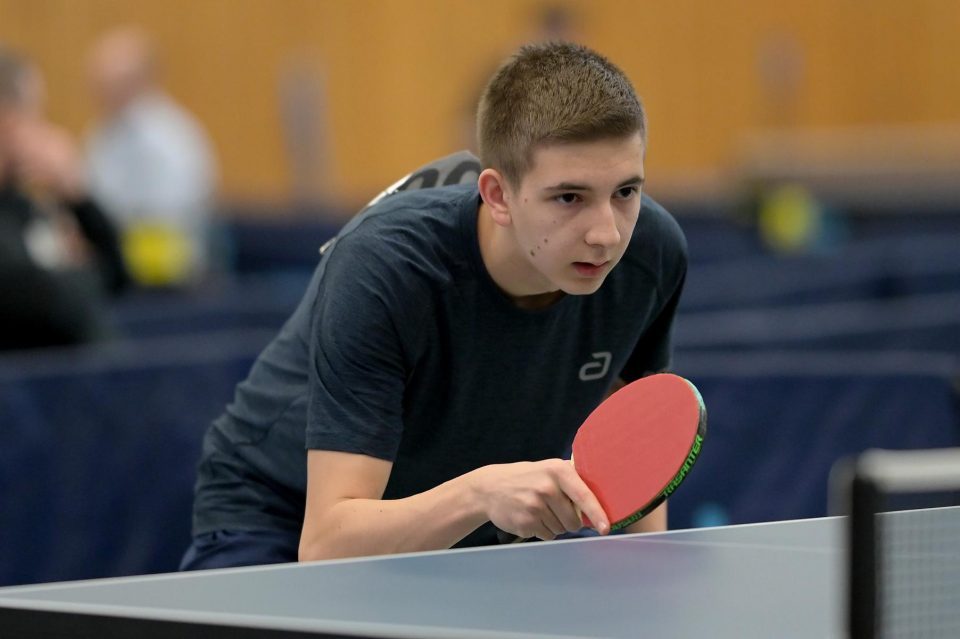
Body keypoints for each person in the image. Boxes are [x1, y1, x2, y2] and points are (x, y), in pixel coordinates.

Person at [182, 41, 687, 570]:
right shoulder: (385, 267)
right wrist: (479, 495)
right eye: (569, 197)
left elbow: (632, 454)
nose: (607, 234)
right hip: (283, 514)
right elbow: (327, 545)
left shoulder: (652, 255)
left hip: (472, 521)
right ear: (497, 196)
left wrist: (639, 572)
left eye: (625, 192)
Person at [0, 46, 129, 351]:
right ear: (7, 118)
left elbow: (117, 276)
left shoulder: (25, 204)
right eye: (35, 112)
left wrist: (77, 196)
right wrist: (78, 272)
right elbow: (55, 302)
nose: (45, 129)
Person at [85, 26, 218, 287]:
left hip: (169, 275)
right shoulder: (100, 134)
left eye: (113, 81)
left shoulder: (172, 137)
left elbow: (174, 214)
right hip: (117, 261)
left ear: (140, 80)